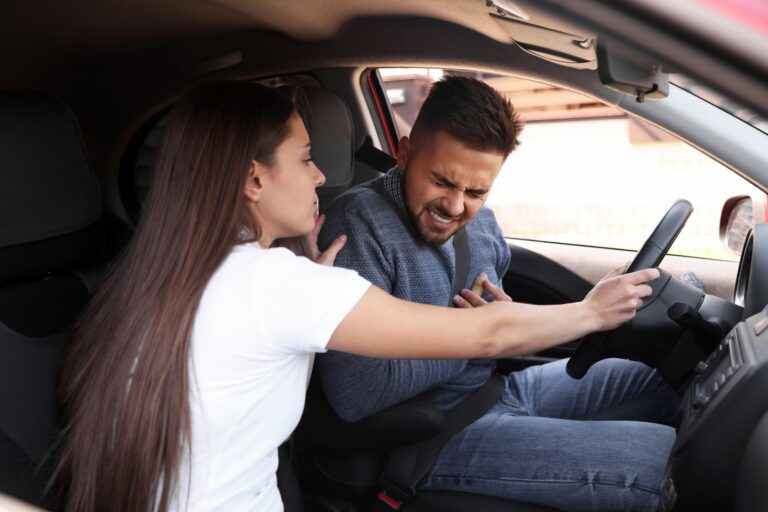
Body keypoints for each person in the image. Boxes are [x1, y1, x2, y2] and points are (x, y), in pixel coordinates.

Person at [54, 81, 658, 512]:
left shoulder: (166, 277)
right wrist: (591, 311)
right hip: (413, 440)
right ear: (254, 178)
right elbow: (485, 334)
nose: (321, 175)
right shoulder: (277, 284)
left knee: (651, 383)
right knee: (658, 464)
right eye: (306, 158)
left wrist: (311, 284)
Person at [317, 76, 680, 512]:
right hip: (431, 436)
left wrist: (505, 323)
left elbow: (495, 328)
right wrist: (477, 338)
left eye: (476, 191)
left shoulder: (483, 225)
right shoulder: (356, 229)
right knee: (662, 464)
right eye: (441, 181)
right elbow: (356, 393)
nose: (455, 207)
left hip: (493, 389)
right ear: (405, 153)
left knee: (667, 376)